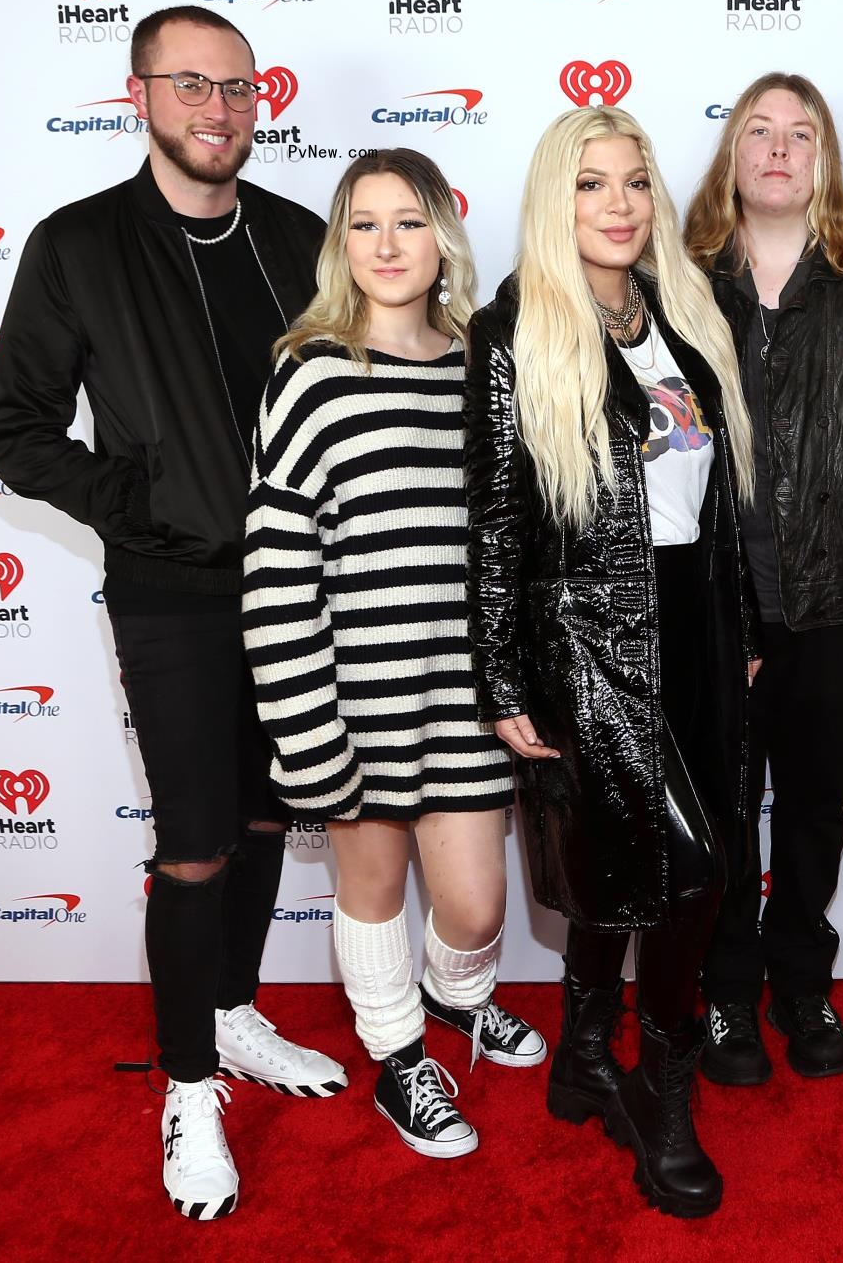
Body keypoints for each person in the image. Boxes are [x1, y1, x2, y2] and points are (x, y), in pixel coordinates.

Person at [0, 6, 342, 1221]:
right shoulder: (78, 245)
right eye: (192, 85)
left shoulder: (299, 237)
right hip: (171, 591)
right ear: (140, 95)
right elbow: (13, 428)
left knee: (264, 814)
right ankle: (187, 1086)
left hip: (303, 588)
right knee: (194, 842)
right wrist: (130, 501)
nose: (219, 109)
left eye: (240, 88)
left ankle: (234, 1019)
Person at [463, 106, 757, 1218]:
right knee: (687, 871)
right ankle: (661, 1098)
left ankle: (584, 1052)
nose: (621, 203)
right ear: (556, 200)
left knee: (626, 856)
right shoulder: (516, 333)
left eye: (636, 181)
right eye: (592, 184)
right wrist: (501, 680)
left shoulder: (683, 317)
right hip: (588, 637)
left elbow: (715, 506)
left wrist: (747, 628)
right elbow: (494, 524)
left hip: (697, 627)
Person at [241, 149, 544, 1162]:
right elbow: (278, 572)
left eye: (407, 221)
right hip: (351, 697)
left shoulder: (479, 363)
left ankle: (453, 1004)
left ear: (442, 235)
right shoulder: (312, 369)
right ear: (341, 244)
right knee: (370, 892)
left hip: (466, 695)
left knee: (474, 902)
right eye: (362, 224)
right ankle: (397, 1055)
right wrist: (305, 730)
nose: (385, 244)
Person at [683, 72, 843, 1085]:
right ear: (733, 153)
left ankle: (801, 982)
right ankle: (728, 994)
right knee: (726, 815)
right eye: (759, 132)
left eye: (800, 134)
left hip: (827, 606)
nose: (779, 149)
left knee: (814, 810)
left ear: (823, 158)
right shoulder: (676, 279)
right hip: (717, 611)